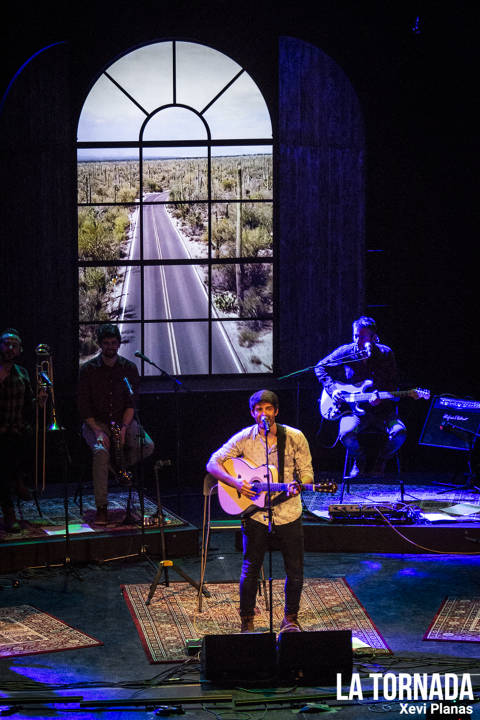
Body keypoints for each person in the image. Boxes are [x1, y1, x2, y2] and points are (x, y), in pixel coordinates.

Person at [206, 389, 314, 633]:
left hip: (288, 511)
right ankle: (247, 621)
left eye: (268, 409)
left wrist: (301, 485)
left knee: (294, 568)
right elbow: (213, 462)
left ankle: (290, 618)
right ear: (253, 413)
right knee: (250, 568)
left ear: (276, 411)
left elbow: (307, 471)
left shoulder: (295, 437)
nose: (263, 413)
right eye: (258, 409)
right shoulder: (245, 437)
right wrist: (236, 483)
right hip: (255, 513)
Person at [78, 324, 154, 525]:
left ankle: (120, 468)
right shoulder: (88, 370)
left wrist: (124, 429)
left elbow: (131, 403)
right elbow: (84, 408)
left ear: (119, 344)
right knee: (101, 452)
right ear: (100, 345)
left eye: (114, 343)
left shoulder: (129, 368)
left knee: (147, 445)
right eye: (106, 343)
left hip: (123, 421)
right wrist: (98, 432)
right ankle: (102, 507)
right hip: (97, 423)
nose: (111, 346)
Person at [315, 316, 406, 477]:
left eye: (362, 336)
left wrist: (382, 397)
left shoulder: (386, 353)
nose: (357, 340)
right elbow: (320, 367)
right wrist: (333, 389)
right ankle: (359, 459)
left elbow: (394, 383)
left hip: (382, 411)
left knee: (400, 434)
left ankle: (382, 459)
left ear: (373, 337)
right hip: (353, 410)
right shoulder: (346, 352)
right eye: (356, 335)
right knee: (346, 434)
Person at [0, 328, 35, 532]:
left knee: (27, 441)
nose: (10, 348)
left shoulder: (22, 373)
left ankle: (19, 478)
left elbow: (28, 405)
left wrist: (39, 401)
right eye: (6, 344)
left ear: (20, 350)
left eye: (14, 345)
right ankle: (10, 510)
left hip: (16, 432)